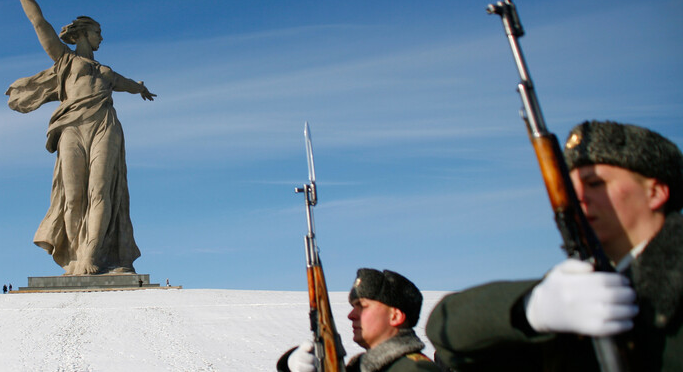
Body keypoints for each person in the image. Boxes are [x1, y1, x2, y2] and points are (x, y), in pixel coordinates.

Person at [425, 120, 683, 371]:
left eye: (596, 184)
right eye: (571, 189)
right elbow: (447, 332)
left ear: (655, 193)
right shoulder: (575, 291)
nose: (579, 198)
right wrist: (529, 310)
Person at [6, 0, 155, 275]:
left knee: (100, 191)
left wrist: (140, 87)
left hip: (104, 128)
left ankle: (92, 255)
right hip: (71, 129)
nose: (102, 38)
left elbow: (127, 84)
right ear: (85, 34)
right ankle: (74, 255)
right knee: (73, 198)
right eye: (98, 32)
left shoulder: (106, 71)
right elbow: (39, 24)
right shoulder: (66, 61)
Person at [279, 268, 439, 372]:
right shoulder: (362, 368)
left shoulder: (415, 369)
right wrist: (289, 364)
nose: (351, 315)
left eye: (362, 306)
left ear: (395, 316)